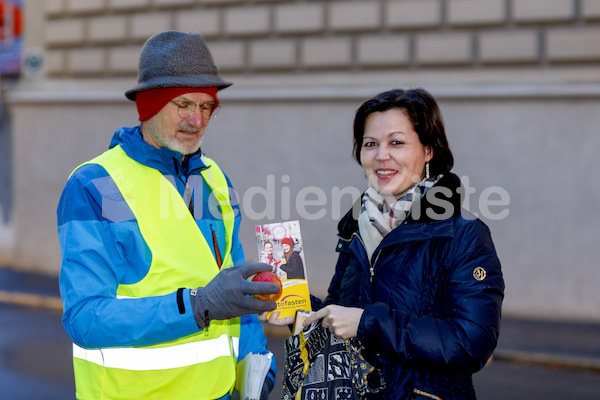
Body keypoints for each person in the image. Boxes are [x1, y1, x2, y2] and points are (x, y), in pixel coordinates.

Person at [57, 31, 281, 400]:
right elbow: (85, 318)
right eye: (183, 104)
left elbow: (236, 289)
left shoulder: (214, 179)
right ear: (147, 107)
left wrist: (255, 360)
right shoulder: (95, 185)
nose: (197, 119)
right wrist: (196, 305)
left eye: (207, 106)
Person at [265, 88, 504, 399]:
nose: (381, 156)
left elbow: (472, 343)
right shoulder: (355, 231)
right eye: (370, 144)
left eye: (396, 143)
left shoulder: (462, 233)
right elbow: (340, 322)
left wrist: (368, 323)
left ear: (428, 150)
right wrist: (300, 313)